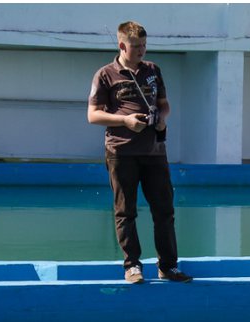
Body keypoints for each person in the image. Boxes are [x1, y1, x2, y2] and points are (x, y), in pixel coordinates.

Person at [87, 21, 192, 284]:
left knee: (164, 210)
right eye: (136, 47)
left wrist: (162, 119)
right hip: (121, 152)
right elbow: (93, 115)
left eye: (144, 46)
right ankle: (132, 266)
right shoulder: (105, 74)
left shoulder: (153, 71)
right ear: (122, 45)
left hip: (155, 151)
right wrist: (125, 121)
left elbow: (164, 104)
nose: (142, 51)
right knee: (126, 211)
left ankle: (168, 266)